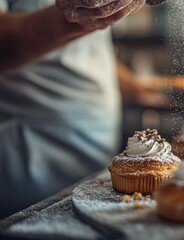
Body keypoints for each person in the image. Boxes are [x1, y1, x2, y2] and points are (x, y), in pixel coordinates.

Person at [0, 0, 163, 218]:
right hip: (34, 148)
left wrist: (132, 85)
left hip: (99, 146)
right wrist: (78, 16)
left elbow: (84, 50)